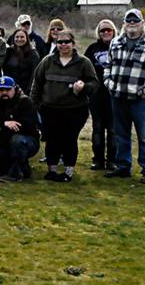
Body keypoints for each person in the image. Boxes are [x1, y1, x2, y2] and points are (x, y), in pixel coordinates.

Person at [103, 8, 145, 183]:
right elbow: (108, 65)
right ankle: (123, 166)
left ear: (142, 23)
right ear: (124, 24)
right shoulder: (116, 42)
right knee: (120, 134)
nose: (132, 25)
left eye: (135, 22)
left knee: (144, 136)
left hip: (140, 100)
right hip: (118, 97)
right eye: (129, 22)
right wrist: (108, 82)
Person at [31, 29, 98, 182]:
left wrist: (83, 87)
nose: (63, 45)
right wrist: (34, 106)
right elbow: (37, 84)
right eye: (60, 42)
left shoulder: (83, 62)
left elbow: (94, 84)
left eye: (66, 41)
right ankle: (52, 170)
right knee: (52, 139)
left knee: (69, 139)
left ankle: (68, 172)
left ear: (73, 44)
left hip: (75, 110)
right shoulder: (47, 61)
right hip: (50, 109)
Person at [0, 76, 39, 183]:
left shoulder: (25, 102)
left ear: (14, 88)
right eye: (1, 90)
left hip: (27, 141)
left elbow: (25, 127)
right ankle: (21, 166)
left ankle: (15, 173)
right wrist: (4, 124)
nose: (4, 92)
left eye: (7, 89)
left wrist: (0, 130)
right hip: (2, 141)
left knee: (17, 140)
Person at [83, 19, 118, 171]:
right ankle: (98, 159)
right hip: (97, 94)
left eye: (108, 30)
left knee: (113, 129)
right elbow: (84, 69)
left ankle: (112, 160)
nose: (106, 33)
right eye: (103, 30)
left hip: (114, 93)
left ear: (114, 31)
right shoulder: (92, 49)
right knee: (97, 127)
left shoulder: (119, 46)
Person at [3, 28, 40, 95]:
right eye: (17, 37)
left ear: (27, 38)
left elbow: (34, 75)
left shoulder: (33, 54)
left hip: (25, 89)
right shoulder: (9, 51)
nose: (19, 39)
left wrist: (29, 91)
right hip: (9, 88)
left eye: (22, 37)